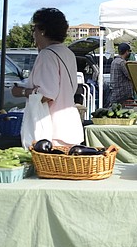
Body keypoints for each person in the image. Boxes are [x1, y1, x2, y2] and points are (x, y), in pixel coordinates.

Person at [12, 8, 84, 146]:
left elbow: (47, 94)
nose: (33, 34)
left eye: (34, 29)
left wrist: (20, 92)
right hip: (69, 126)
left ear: (42, 30)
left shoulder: (47, 55)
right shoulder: (67, 53)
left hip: (52, 130)